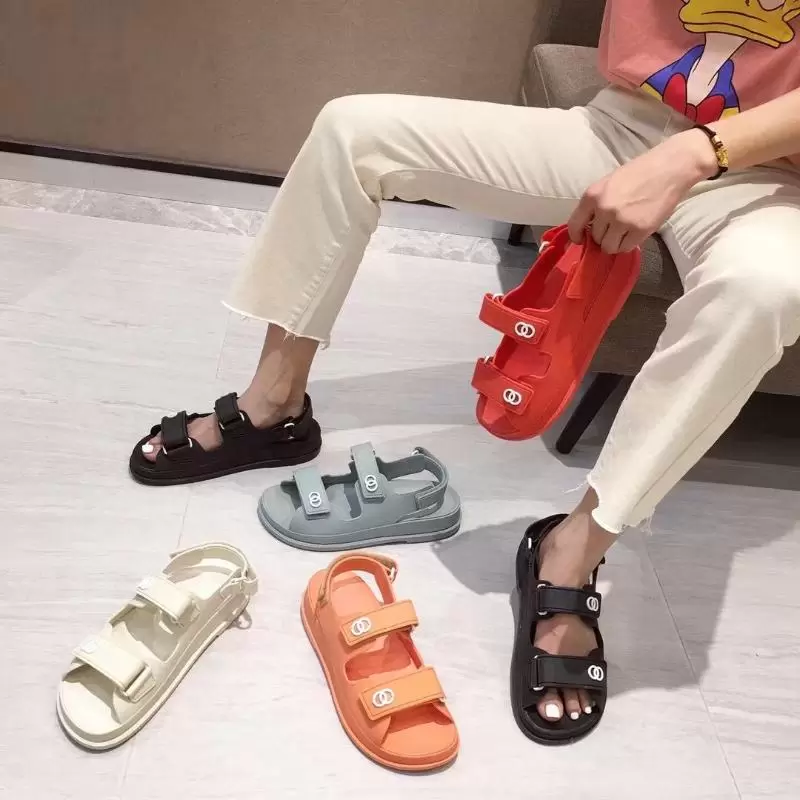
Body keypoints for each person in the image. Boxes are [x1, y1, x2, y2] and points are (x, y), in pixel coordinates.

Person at [134, 0, 800, 728]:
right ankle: (274, 405)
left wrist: (697, 153)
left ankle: (573, 550)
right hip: (623, 125)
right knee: (352, 132)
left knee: (767, 287)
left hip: (769, 169)